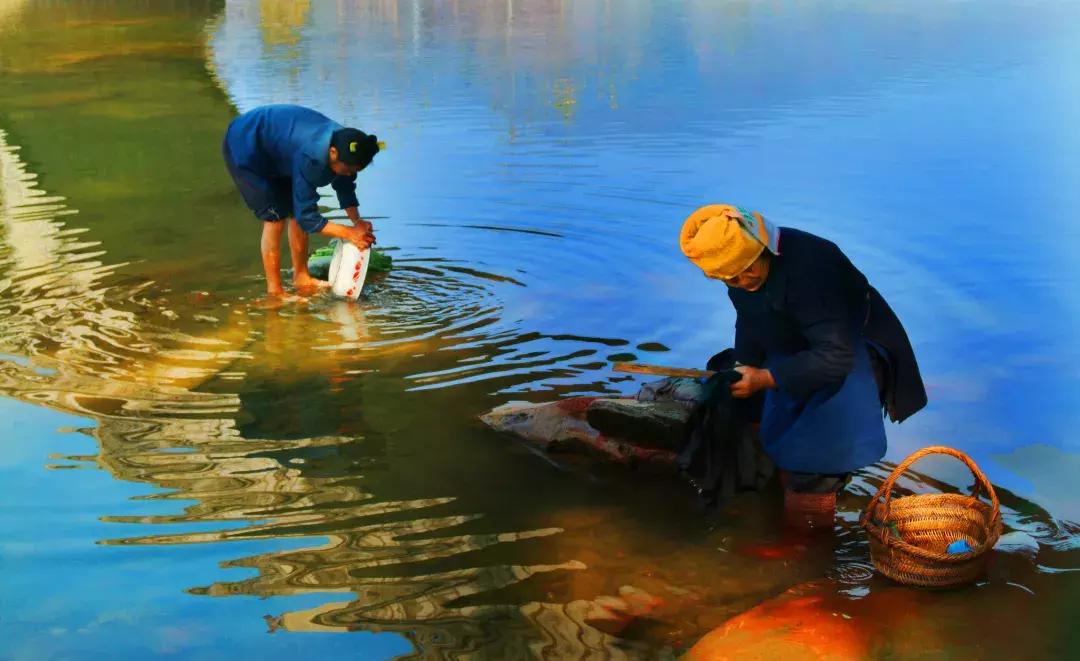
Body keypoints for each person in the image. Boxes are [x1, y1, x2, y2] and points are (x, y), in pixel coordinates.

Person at [679, 204, 927, 527]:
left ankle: (809, 540)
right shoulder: (738, 277)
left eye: (748, 268)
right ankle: (768, 478)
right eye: (731, 278)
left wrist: (767, 377)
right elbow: (749, 319)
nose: (743, 280)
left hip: (850, 351)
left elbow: (836, 356)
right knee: (737, 392)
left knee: (817, 453)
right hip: (795, 342)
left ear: (762, 246)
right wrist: (745, 364)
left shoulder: (812, 270)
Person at [222, 104, 381, 297]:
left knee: (294, 212)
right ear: (332, 153)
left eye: (354, 171)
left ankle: (301, 276)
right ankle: (275, 292)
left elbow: (344, 186)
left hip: (282, 148)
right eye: (347, 170)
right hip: (247, 146)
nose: (349, 175)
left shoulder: (349, 144)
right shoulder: (312, 157)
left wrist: (358, 222)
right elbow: (308, 217)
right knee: (275, 217)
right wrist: (349, 233)